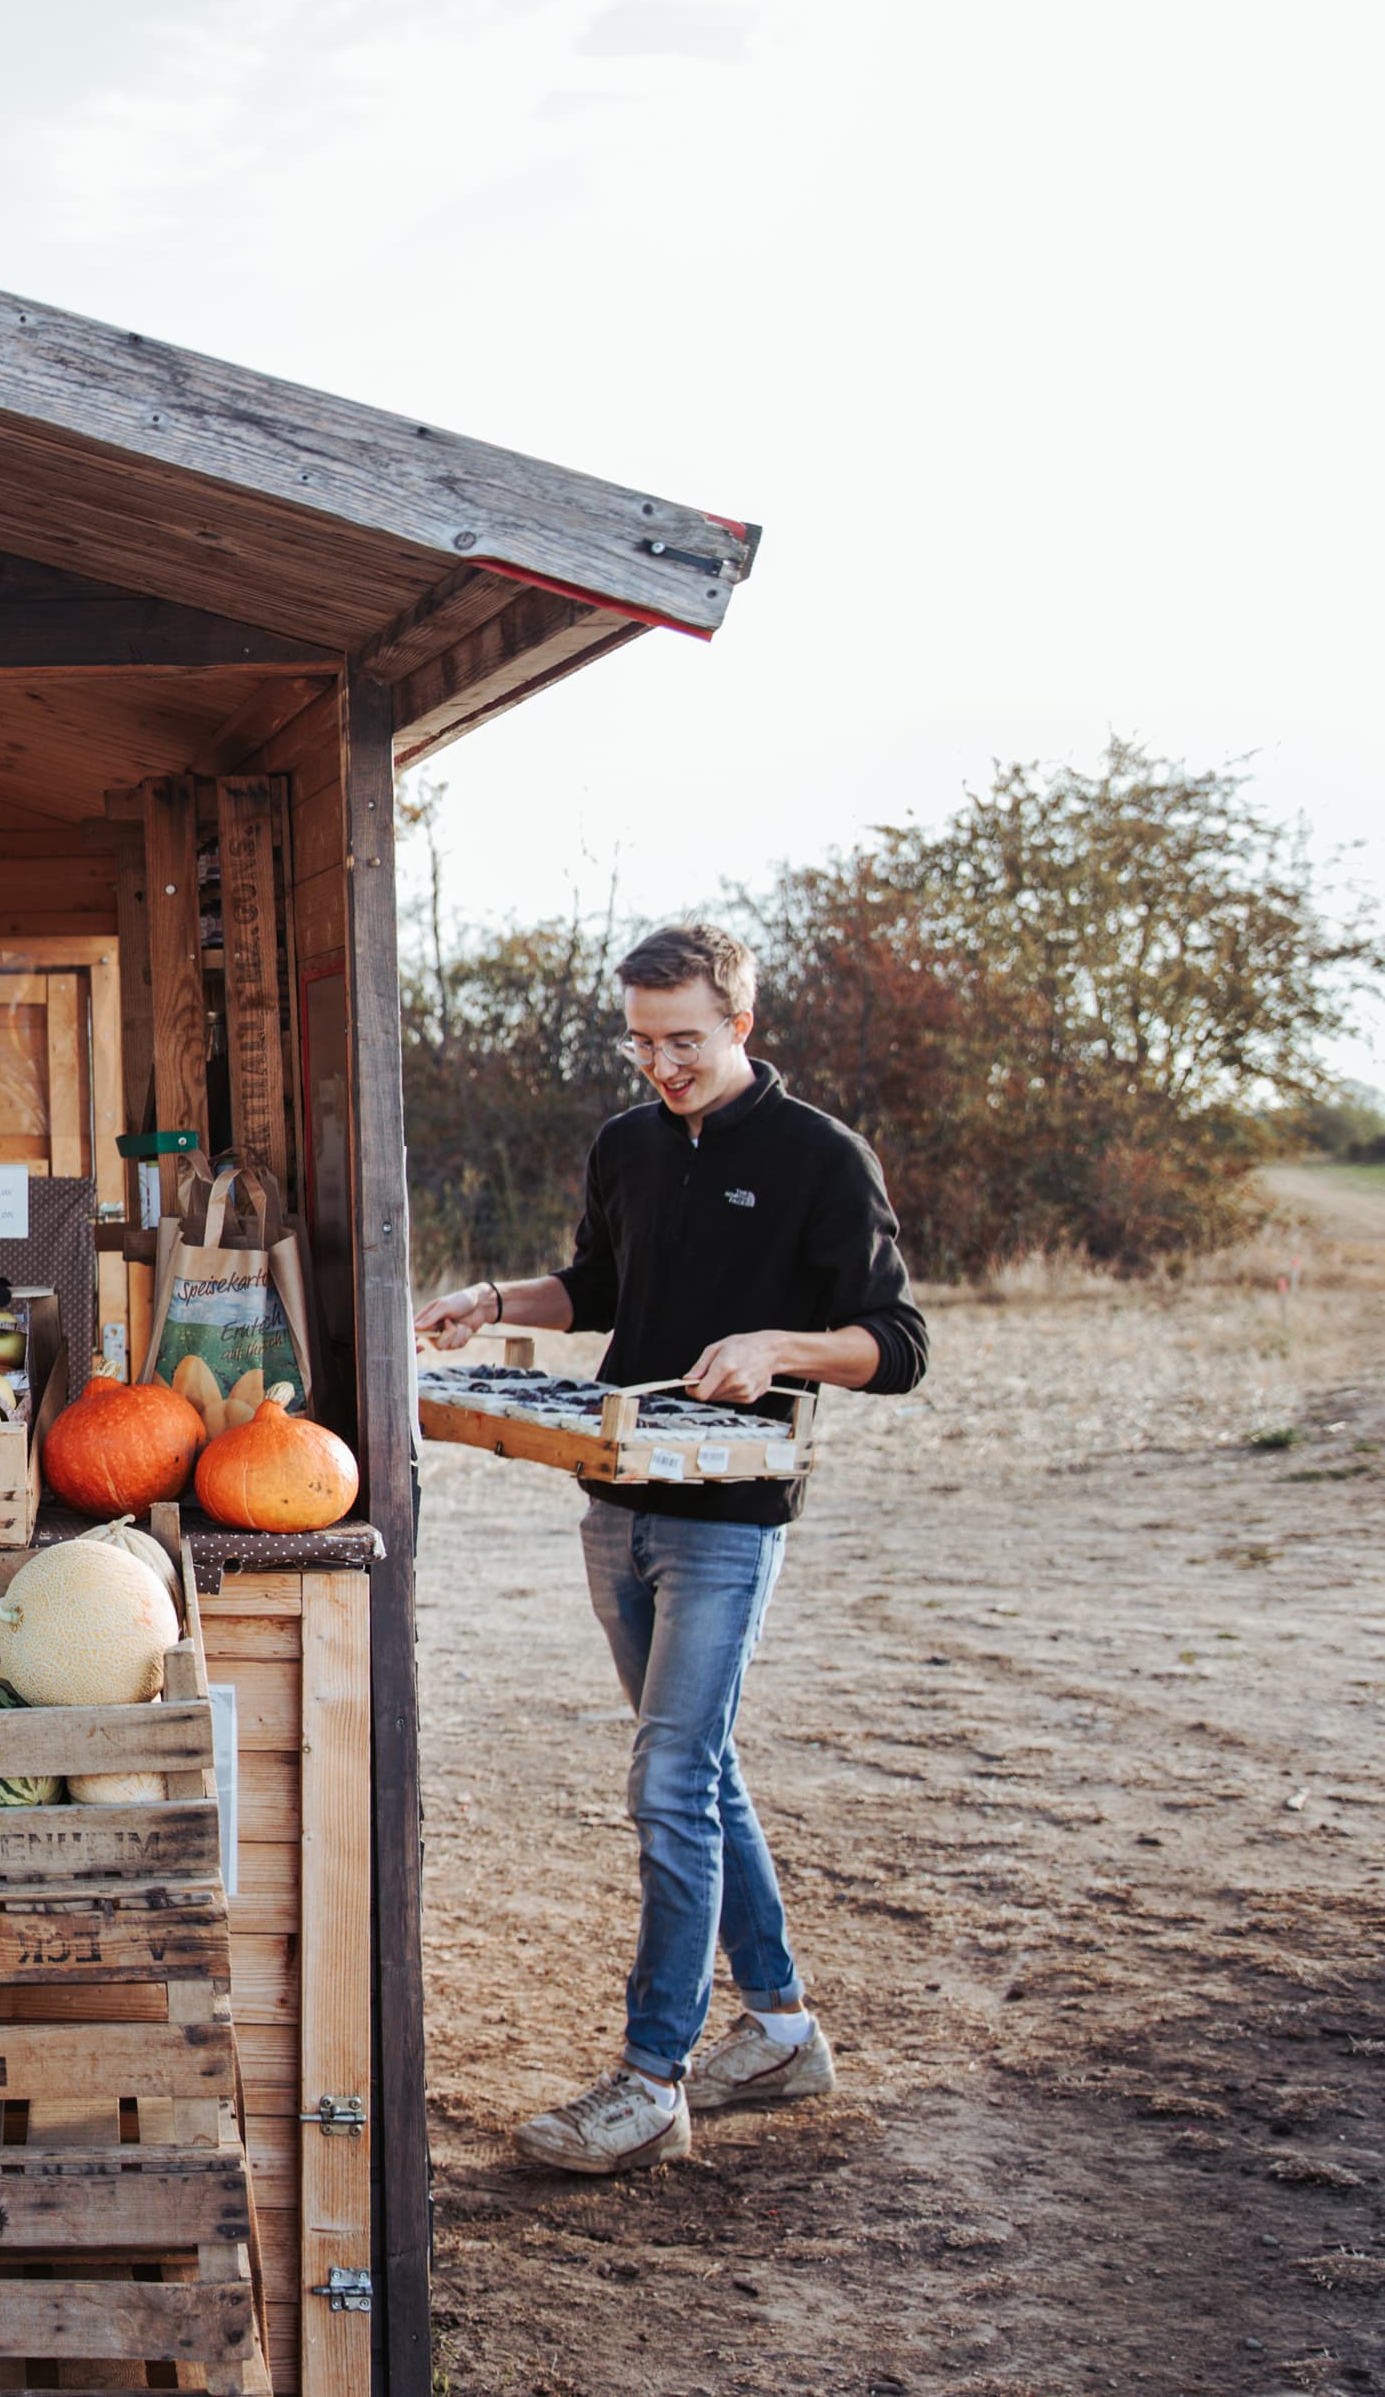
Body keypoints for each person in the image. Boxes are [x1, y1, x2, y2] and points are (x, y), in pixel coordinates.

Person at [415, 923, 927, 2178]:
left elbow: (898, 1343)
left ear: (742, 1024)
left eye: (685, 1041)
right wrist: (494, 1301)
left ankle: (653, 2080)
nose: (663, 1066)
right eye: (643, 1043)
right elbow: (598, 1286)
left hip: (731, 1520)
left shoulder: (821, 1157)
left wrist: (778, 1347)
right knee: (699, 1770)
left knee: (667, 1783)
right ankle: (786, 2027)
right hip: (616, 1500)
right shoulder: (627, 1144)